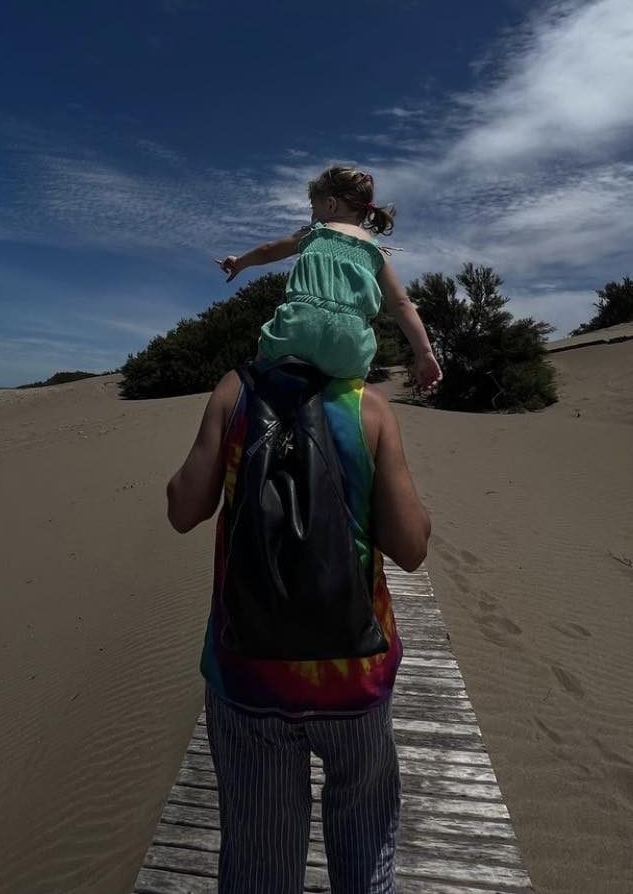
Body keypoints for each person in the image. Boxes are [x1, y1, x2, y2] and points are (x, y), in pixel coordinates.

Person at [166, 364, 431, 893]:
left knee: (258, 858)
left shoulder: (235, 392)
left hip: (248, 677)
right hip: (353, 677)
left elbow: (182, 509)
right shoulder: (368, 407)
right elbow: (411, 549)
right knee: (364, 838)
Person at [216, 165, 442, 394]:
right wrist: (424, 353)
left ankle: (254, 402)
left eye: (314, 208)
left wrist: (240, 262)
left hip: (295, 336)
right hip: (350, 350)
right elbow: (401, 304)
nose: (312, 215)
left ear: (331, 205)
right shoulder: (377, 251)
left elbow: (268, 250)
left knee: (257, 375)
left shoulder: (316, 231)